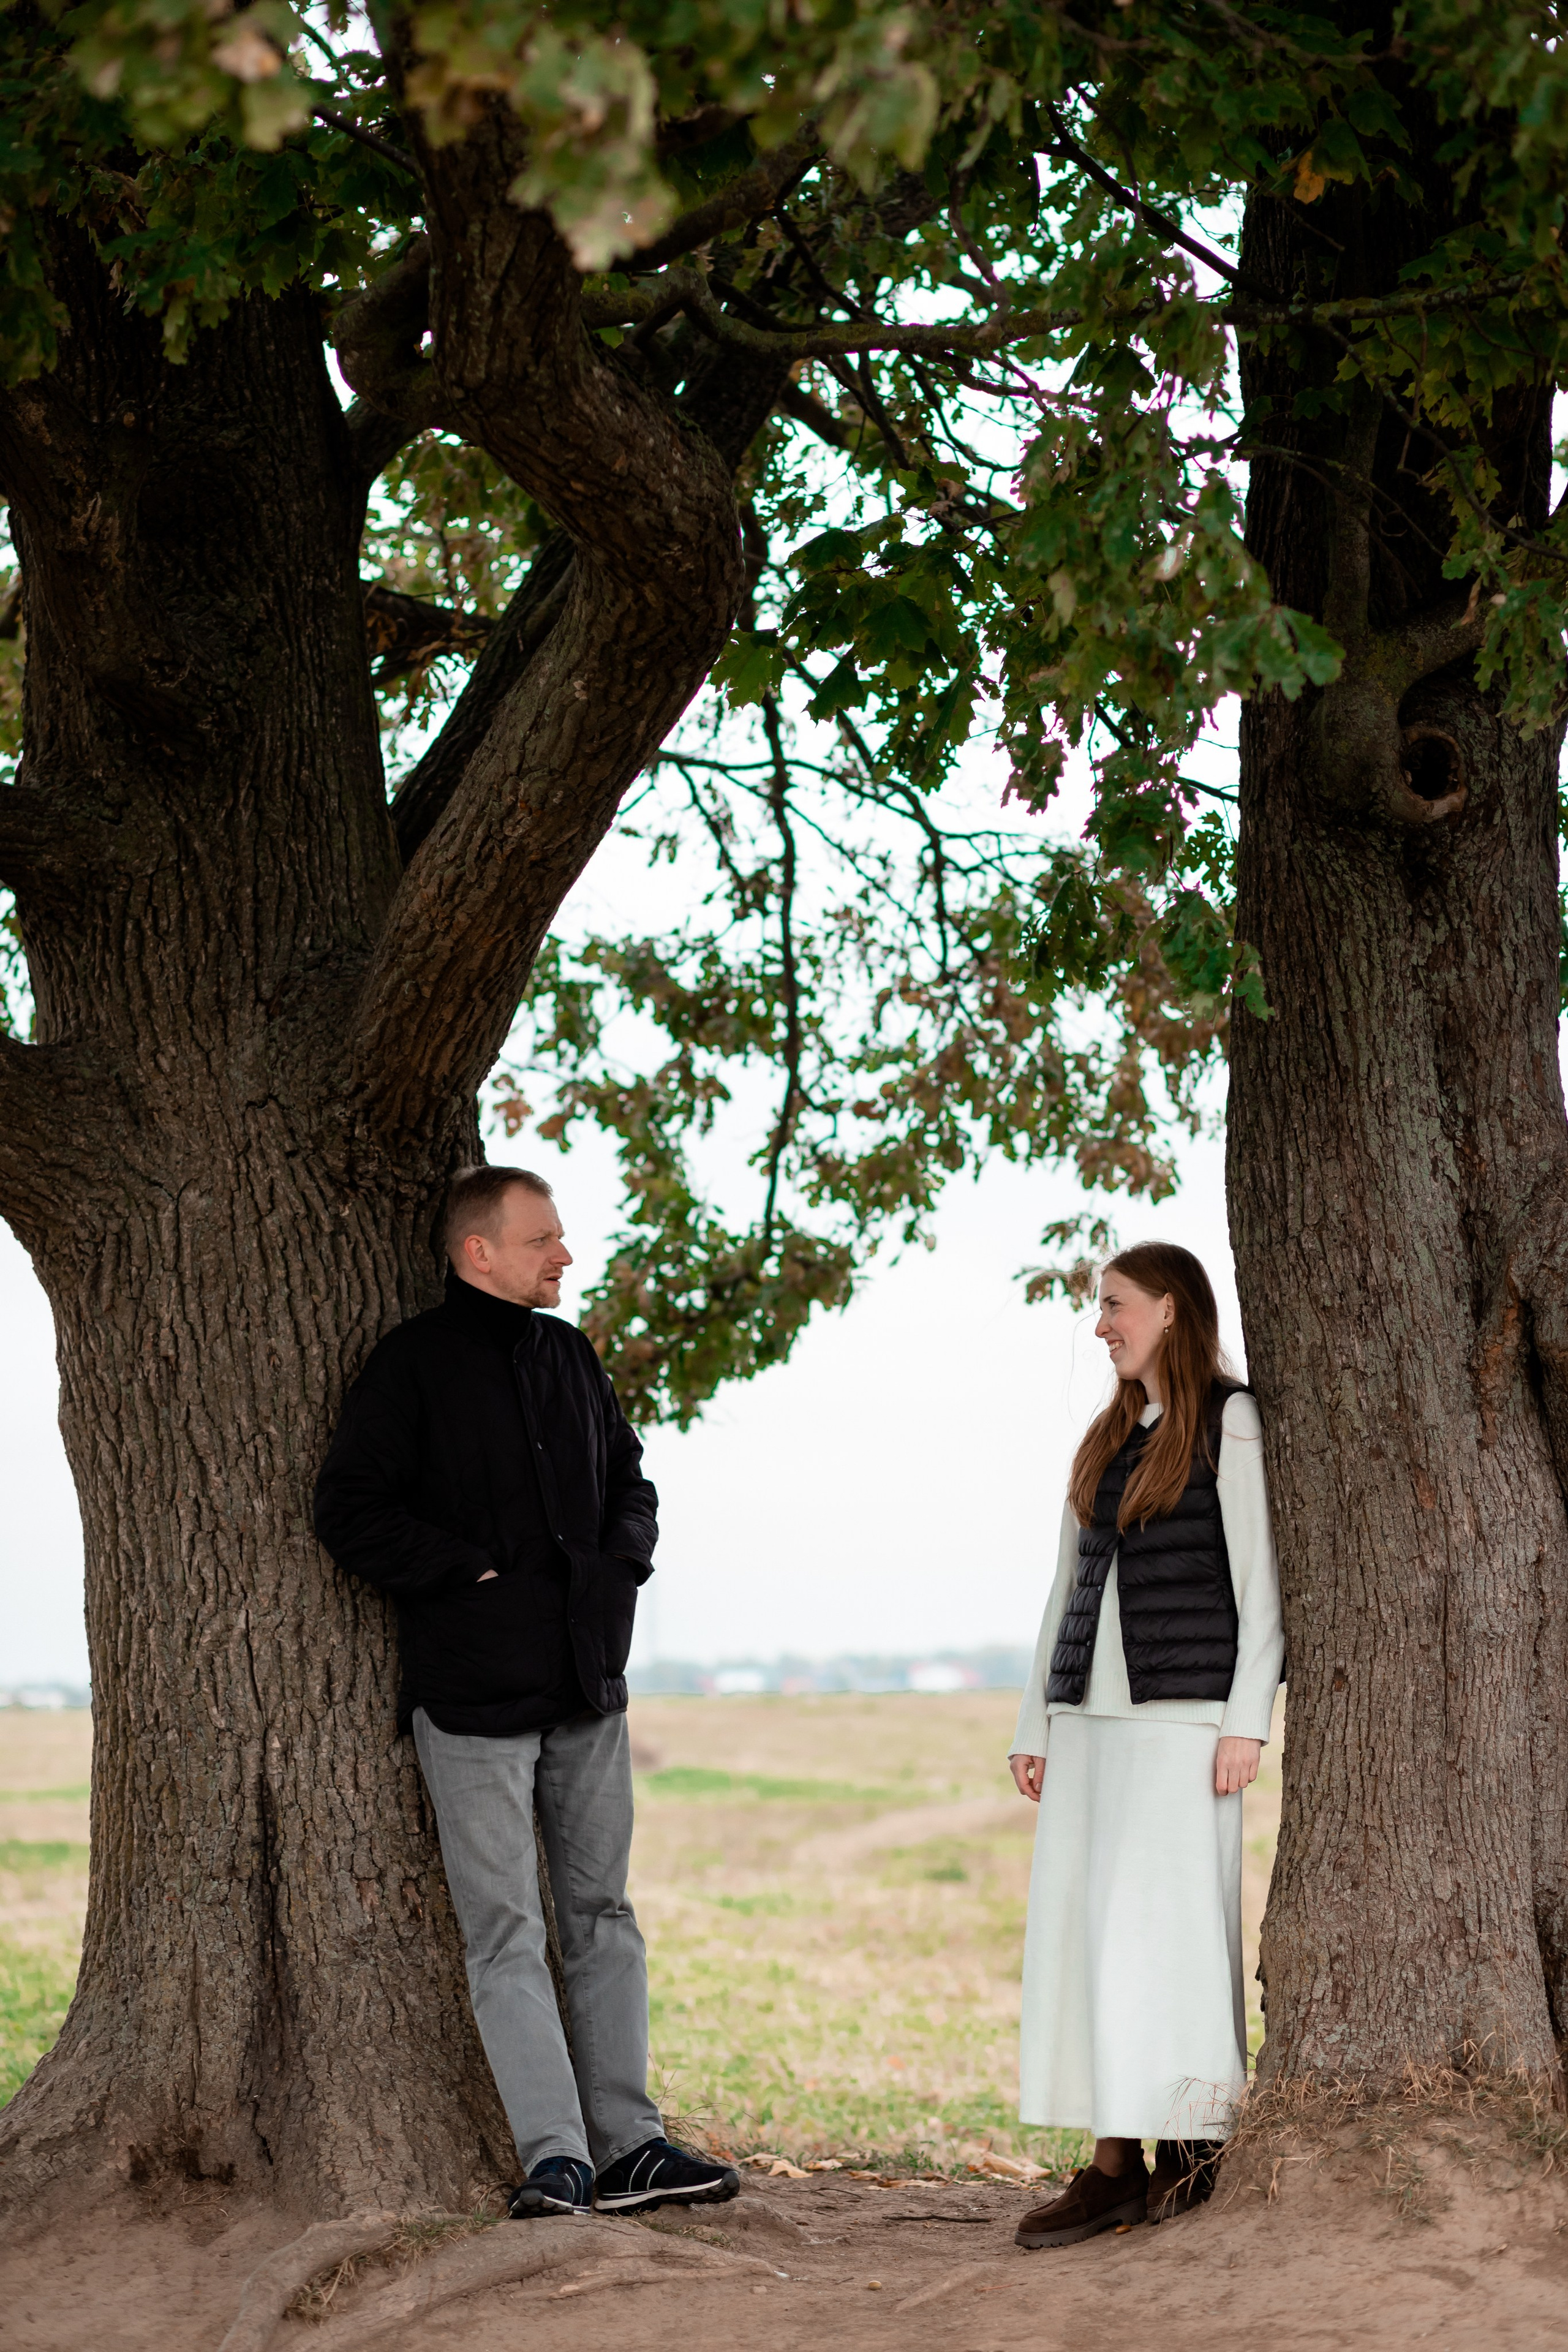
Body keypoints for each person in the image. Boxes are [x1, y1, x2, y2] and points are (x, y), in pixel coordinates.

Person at [314, 1164, 739, 2222]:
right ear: (480, 1253)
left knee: (603, 1916)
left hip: (587, 1684)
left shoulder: (570, 1354)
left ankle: (632, 2145)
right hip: (469, 1698)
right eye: (544, 1238)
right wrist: (469, 1573)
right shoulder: (409, 1367)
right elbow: (348, 1509)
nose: (565, 1255)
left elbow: (632, 1479)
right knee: (506, 1932)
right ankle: (559, 2160)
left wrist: (616, 1568)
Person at [1006, 1242, 1284, 2249]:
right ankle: (1113, 2164)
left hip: (1185, 1726)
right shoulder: (1112, 1436)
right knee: (1090, 1941)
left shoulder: (1232, 1424)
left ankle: (1194, 2147)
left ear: (1170, 1309)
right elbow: (1063, 1592)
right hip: (1090, 1726)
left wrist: (1246, 1719)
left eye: (1114, 1304)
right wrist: (1037, 1720)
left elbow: (1263, 1588)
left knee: (1169, 1942)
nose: (1102, 1323)